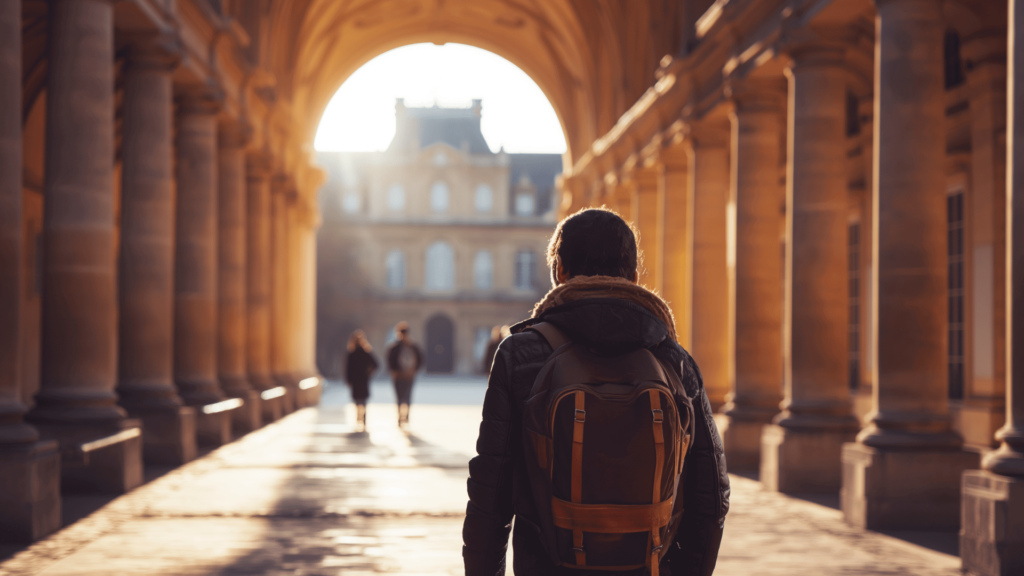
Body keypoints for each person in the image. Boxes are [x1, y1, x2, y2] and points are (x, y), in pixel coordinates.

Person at [463, 208, 729, 576]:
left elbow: (490, 495)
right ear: (634, 277)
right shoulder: (672, 358)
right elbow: (711, 495)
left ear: (559, 272)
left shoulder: (522, 354)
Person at [385, 321, 423, 429]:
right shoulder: (411, 346)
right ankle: (403, 416)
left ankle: (403, 416)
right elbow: (420, 359)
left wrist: (393, 370)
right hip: (405, 375)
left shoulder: (395, 347)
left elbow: (389, 360)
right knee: (404, 396)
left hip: (402, 376)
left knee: (403, 397)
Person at [344, 330, 378, 432]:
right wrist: (369, 372)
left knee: (357, 400)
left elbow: (348, 369)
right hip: (363, 379)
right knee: (363, 400)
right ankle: (363, 418)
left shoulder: (351, 353)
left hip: (355, 380)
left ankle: (359, 417)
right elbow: (376, 364)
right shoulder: (365, 352)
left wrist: (348, 380)